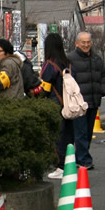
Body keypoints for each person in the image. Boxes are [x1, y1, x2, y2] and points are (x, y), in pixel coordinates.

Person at [67, 31, 105, 169]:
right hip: (78, 103)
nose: (86, 45)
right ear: (76, 43)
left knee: (88, 132)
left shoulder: (96, 58)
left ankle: (81, 157)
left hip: (93, 100)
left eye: (88, 42)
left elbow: (103, 74)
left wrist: (102, 89)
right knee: (81, 132)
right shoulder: (70, 59)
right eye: (83, 42)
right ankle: (83, 159)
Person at [40, 33, 75, 179]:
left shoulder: (50, 65)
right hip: (69, 104)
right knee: (69, 135)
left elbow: (45, 88)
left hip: (56, 104)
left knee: (58, 136)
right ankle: (69, 164)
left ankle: (60, 167)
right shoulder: (68, 63)